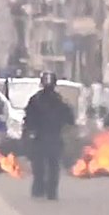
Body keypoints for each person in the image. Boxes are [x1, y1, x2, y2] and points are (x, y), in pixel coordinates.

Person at [23, 71, 75, 200]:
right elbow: (28, 118)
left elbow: (69, 118)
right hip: (40, 137)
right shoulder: (35, 100)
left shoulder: (59, 101)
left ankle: (50, 191)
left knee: (52, 166)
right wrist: (28, 133)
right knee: (39, 166)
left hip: (53, 137)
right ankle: (40, 189)